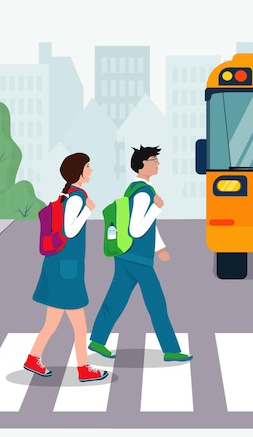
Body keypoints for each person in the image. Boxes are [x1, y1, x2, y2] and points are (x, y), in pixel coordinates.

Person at [88, 145, 192, 363]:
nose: (158, 163)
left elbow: (148, 226)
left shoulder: (132, 189)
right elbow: (136, 229)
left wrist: (160, 247)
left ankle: (98, 339)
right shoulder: (145, 193)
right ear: (142, 164)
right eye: (154, 160)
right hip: (139, 259)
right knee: (157, 304)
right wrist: (157, 207)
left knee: (115, 299)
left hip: (125, 254)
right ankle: (171, 349)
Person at [23, 152, 108, 382]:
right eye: (88, 166)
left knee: (51, 322)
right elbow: (69, 231)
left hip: (59, 264)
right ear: (78, 171)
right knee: (79, 324)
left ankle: (33, 358)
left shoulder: (66, 194)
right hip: (67, 268)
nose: (91, 170)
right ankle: (83, 368)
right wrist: (88, 209)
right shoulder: (78, 197)